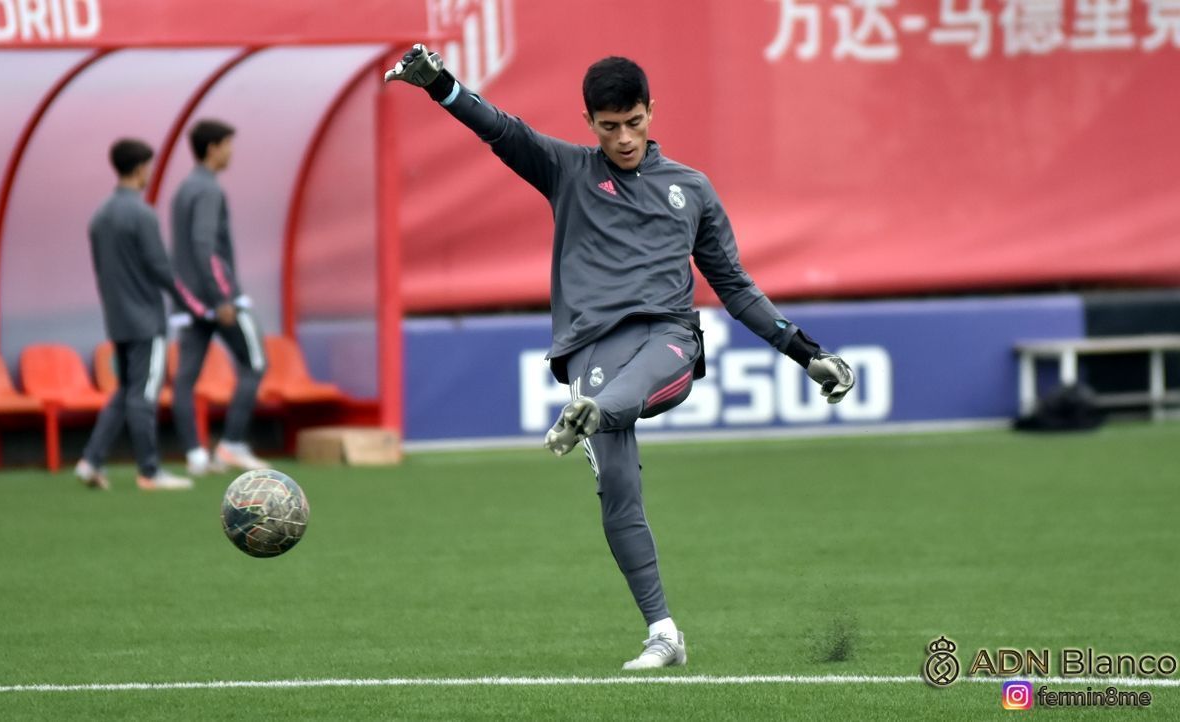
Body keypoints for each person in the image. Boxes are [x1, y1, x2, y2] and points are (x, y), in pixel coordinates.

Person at [385, 46, 856, 670]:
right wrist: (441, 85)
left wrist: (804, 352)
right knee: (617, 489)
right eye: (610, 127)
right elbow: (501, 130)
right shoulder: (567, 171)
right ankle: (664, 633)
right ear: (589, 122)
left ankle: (591, 413)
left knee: (612, 400)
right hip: (592, 351)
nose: (625, 138)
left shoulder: (691, 189)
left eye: (634, 122)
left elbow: (735, 287)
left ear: (651, 111)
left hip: (668, 340)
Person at [75, 139, 202, 491]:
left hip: (117, 319)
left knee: (126, 390)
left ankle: (91, 460)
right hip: (146, 319)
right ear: (141, 167)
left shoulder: (100, 215)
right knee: (144, 393)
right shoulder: (142, 214)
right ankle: (150, 471)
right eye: (149, 166)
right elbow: (161, 268)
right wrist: (191, 303)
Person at [169, 119, 268, 476]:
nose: (231, 152)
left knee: (185, 379)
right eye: (228, 144)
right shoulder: (208, 189)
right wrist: (221, 297)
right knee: (255, 363)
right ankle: (232, 445)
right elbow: (203, 245)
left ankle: (196, 456)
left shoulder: (184, 189)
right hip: (219, 299)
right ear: (212, 148)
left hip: (189, 303)